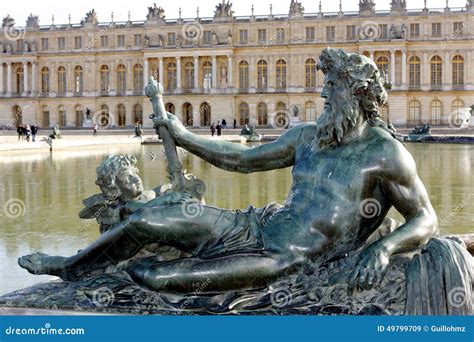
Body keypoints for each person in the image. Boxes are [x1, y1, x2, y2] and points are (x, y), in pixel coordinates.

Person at [19, 48, 438, 294]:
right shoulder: (308, 136)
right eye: (325, 85)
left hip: (283, 258)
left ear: (358, 94)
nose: (323, 92)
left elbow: (425, 218)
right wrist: (183, 136)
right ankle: (70, 266)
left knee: (153, 276)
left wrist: (383, 248)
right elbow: (240, 159)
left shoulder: (387, 154)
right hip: (252, 225)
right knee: (145, 219)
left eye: (333, 87)